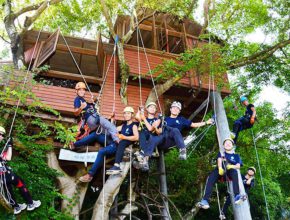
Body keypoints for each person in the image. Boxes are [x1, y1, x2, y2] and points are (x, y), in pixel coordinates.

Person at [136, 101, 213, 171]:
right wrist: (156, 126)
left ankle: (182, 150)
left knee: (175, 130)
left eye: (177, 109)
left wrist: (206, 122)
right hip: (163, 139)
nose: (175, 109)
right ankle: (145, 161)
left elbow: (194, 124)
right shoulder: (165, 119)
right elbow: (159, 132)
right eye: (174, 108)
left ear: (179, 111)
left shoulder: (181, 119)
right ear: (170, 109)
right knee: (153, 138)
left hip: (173, 140)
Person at [0, 126, 41, 215]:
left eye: (2, 135)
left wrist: (9, 146)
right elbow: (8, 158)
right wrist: (10, 146)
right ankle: (30, 203)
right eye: (1, 135)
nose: (2, 137)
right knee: (20, 184)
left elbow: (6, 157)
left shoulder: (1, 147)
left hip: (2, 178)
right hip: (6, 174)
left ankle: (16, 207)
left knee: (8, 192)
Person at [70, 82, 119, 150]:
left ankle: (75, 144)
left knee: (107, 133)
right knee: (111, 127)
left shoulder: (85, 101)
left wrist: (94, 100)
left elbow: (92, 105)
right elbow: (75, 113)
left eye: (83, 90)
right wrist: (81, 107)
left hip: (93, 120)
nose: (82, 91)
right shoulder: (78, 99)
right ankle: (119, 143)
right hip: (91, 119)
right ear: (76, 91)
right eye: (80, 90)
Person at [198, 138, 243, 209]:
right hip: (220, 171)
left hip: (229, 172)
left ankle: (237, 196)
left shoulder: (236, 156)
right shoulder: (222, 153)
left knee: (235, 172)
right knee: (210, 178)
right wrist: (220, 168)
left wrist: (232, 166)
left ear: (232, 146)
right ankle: (205, 200)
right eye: (226, 143)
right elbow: (219, 160)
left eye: (229, 143)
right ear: (224, 146)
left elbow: (238, 166)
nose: (228, 144)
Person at [106, 107, 139, 175]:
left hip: (129, 141)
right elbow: (113, 130)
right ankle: (115, 160)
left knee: (122, 142)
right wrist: (112, 120)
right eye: (125, 113)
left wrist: (124, 137)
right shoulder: (123, 125)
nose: (126, 115)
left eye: (128, 113)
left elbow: (136, 137)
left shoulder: (134, 125)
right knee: (109, 136)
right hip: (122, 141)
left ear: (132, 115)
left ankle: (117, 166)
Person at [133, 102, 162, 171]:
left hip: (152, 137)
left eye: (154, 108)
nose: (152, 108)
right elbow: (137, 117)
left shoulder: (156, 120)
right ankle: (145, 163)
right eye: (151, 107)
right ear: (147, 109)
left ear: (155, 110)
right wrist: (139, 110)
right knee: (142, 132)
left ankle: (142, 153)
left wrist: (144, 119)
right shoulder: (143, 118)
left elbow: (151, 129)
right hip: (143, 137)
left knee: (145, 133)